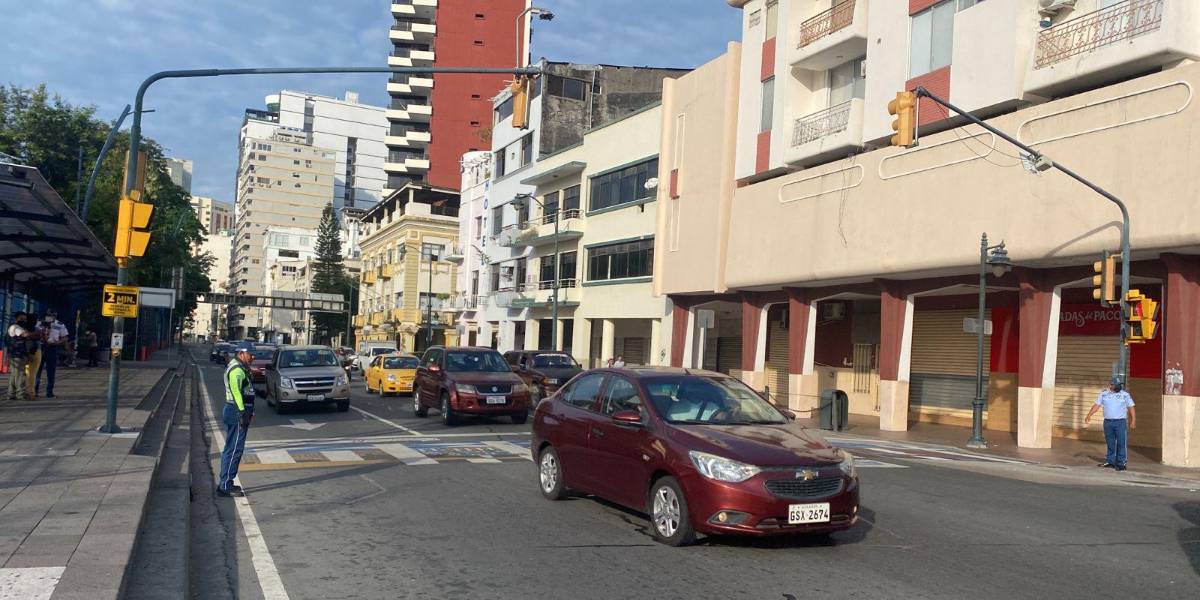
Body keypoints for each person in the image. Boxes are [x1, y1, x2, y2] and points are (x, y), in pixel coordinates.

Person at [218, 342, 256, 497]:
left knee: (232, 448)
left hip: (236, 410)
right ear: (241, 353)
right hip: (236, 411)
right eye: (250, 354)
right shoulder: (237, 370)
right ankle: (226, 484)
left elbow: (244, 389)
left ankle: (226, 482)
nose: (253, 357)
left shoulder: (238, 366)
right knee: (234, 449)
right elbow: (236, 393)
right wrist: (242, 413)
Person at [1084, 376, 1137, 471]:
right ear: (1111, 385)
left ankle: (1121, 463)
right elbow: (1097, 405)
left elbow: (1131, 407)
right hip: (1108, 422)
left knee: (1121, 442)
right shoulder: (1104, 394)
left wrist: (1133, 420)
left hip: (1120, 422)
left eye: (1120, 385)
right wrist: (1089, 415)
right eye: (1117, 385)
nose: (1119, 386)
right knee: (1110, 442)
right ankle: (1110, 461)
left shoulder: (1125, 395)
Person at [35, 310, 68, 398]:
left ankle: (49, 392)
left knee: (51, 372)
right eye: (49, 315)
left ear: (55, 315)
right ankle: (34, 391)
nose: (50, 316)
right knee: (37, 370)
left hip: (52, 348)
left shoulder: (60, 325)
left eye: (52, 315)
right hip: (40, 348)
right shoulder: (39, 323)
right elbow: (34, 334)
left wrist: (57, 343)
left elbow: (64, 338)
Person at [5, 312, 37, 401]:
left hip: (17, 353)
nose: (24, 321)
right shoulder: (15, 327)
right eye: (22, 319)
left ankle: (11, 394)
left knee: (14, 375)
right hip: (17, 354)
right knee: (20, 374)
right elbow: (25, 335)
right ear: (16, 318)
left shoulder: (17, 327)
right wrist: (35, 333)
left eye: (25, 319)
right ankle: (21, 394)